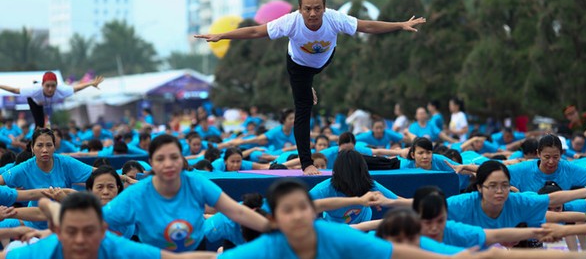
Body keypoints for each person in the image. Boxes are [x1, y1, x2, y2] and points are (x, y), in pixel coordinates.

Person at [194, 0, 426, 175]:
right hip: (298, 67)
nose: (313, 14)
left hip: (325, 60)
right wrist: (222, 35)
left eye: (317, 9)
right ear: (300, 9)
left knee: (317, 80)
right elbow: (256, 32)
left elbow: (367, 26)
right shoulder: (290, 22)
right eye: (308, 9)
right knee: (303, 111)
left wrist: (400, 25)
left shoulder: (335, 19)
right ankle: (307, 163)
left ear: (325, 8)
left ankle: (309, 87)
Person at [217, 178, 473, 259]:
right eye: (287, 210)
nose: (296, 216)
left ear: (312, 211)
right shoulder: (263, 250)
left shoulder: (333, 235)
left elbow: (392, 250)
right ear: (274, 219)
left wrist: (448, 256)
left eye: (302, 208)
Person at [102, 134, 270, 252]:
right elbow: (99, 221)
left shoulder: (196, 182)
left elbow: (237, 211)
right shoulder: (137, 194)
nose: (168, 164)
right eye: (160, 159)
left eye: (174, 157)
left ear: (181, 159)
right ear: (151, 163)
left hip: (196, 251)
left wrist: (274, 229)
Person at [2, 192, 213, 259]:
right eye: (71, 232)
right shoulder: (32, 254)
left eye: (89, 231)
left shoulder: (118, 248)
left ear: (103, 230)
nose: (80, 240)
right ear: (57, 231)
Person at [446, 160, 586, 230]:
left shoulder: (517, 201)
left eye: (505, 185)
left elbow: (552, 200)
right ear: (480, 188)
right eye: (493, 186)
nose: (499, 191)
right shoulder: (460, 204)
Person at [413, 186, 544, 249]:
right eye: (428, 222)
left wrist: (542, 233)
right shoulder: (400, 238)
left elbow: (496, 236)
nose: (435, 228)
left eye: (441, 221)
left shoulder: (456, 230)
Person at [308, 150, 409, 224]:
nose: (351, 177)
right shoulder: (323, 189)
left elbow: (397, 200)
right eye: (347, 173)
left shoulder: (367, 183)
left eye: (354, 173)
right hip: (335, 228)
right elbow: (302, 205)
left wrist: (417, 208)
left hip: (363, 224)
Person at [0, 72, 104, 128]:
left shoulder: (62, 89)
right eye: (47, 86)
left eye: (53, 86)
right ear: (42, 85)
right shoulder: (35, 90)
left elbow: (77, 87)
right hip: (35, 101)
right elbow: (14, 90)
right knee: (39, 124)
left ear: (56, 85)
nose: (50, 89)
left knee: (48, 122)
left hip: (46, 102)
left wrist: (91, 84)